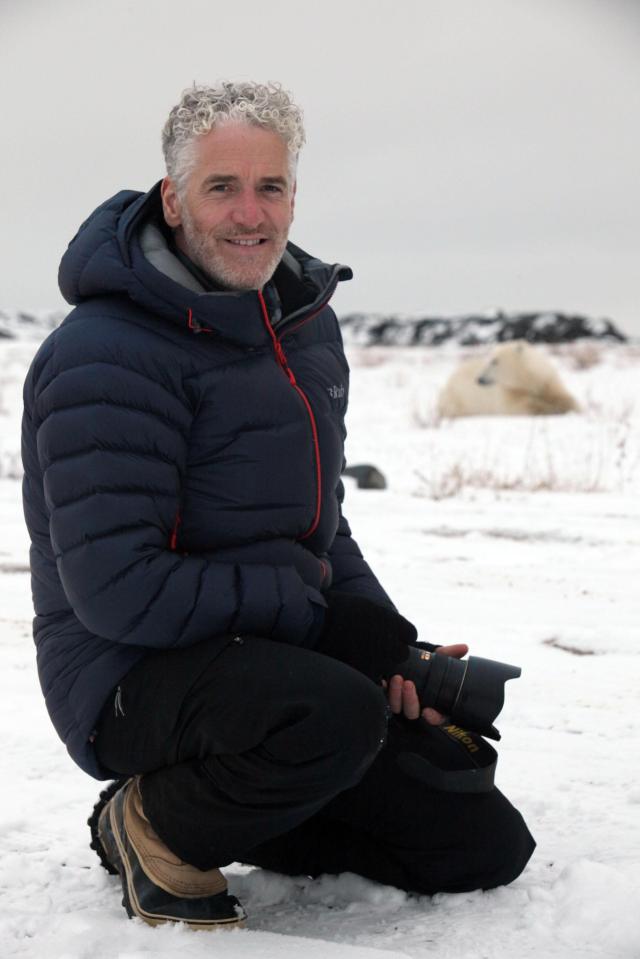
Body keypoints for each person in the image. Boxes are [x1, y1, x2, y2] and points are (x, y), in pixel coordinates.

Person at [21, 81, 534, 930]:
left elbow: (321, 522)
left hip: (266, 661)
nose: (250, 213)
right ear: (173, 198)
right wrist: (322, 626)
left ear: (295, 193)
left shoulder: (299, 328)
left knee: (476, 840)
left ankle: (250, 783)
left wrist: (385, 640)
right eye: (223, 187)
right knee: (330, 714)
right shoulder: (103, 356)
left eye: (272, 187)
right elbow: (118, 589)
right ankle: (149, 819)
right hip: (124, 673)